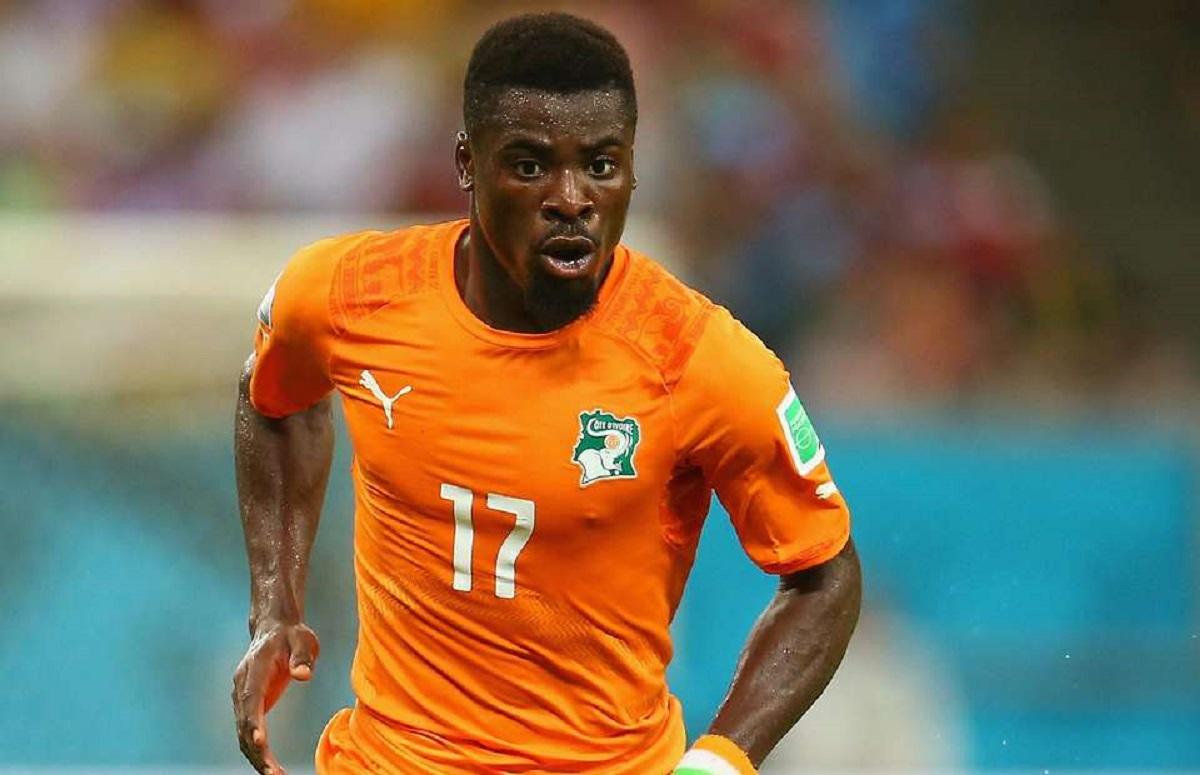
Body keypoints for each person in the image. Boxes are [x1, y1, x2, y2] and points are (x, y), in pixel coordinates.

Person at [232, 12, 860, 775]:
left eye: (601, 165)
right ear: (468, 163)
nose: (572, 198)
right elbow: (274, 400)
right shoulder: (350, 296)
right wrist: (274, 604)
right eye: (530, 166)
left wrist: (722, 760)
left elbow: (824, 573)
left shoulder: (699, 360)